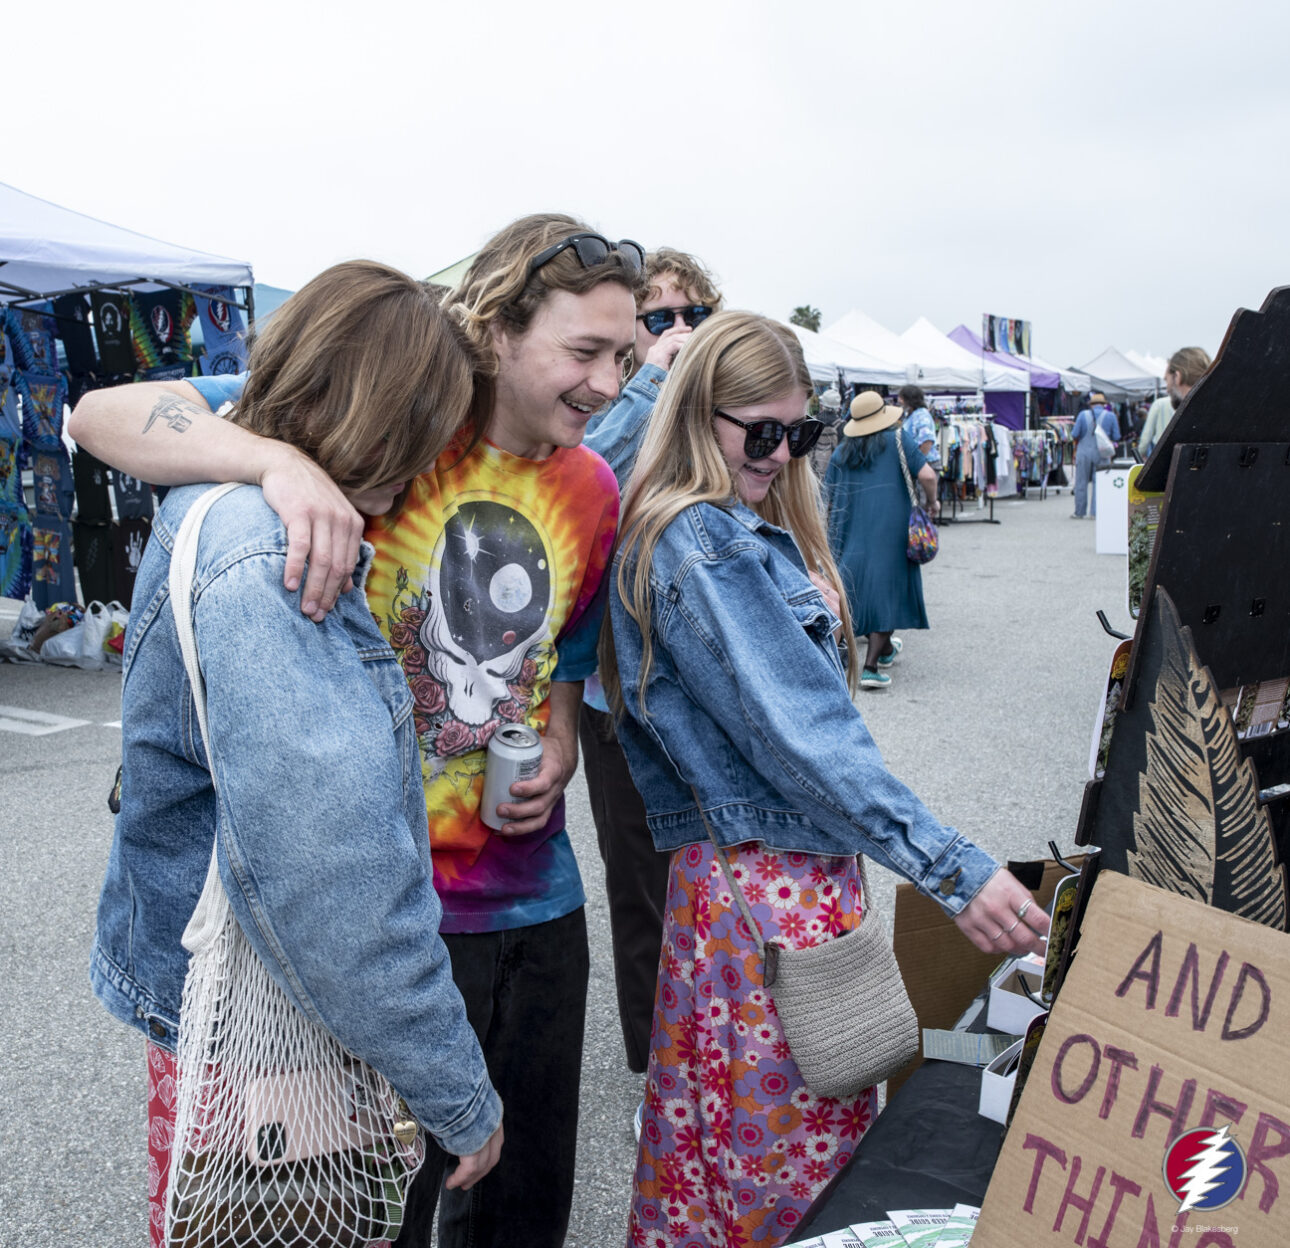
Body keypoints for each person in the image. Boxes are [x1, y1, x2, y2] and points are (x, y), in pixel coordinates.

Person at [72, 213, 642, 1248]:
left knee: (518, 1203)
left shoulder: (590, 486)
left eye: (629, 357)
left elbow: (568, 648)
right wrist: (271, 467)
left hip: (531, 899)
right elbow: (103, 412)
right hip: (383, 923)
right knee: (374, 1200)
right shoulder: (393, 415)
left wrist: (559, 740)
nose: (609, 383)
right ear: (499, 333)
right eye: (585, 351)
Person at [599, 310, 1049, 1248]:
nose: (779, 453)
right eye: (758, 432)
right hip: (767, 889)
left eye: (798, 433)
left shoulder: (725, 531)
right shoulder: (702, 541)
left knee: (729, 1147)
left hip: (761, 886)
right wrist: (952, 868)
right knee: (783, 1161)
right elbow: (806, 743)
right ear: (694, 415)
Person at [579, 248, 724, 1103]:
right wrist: (645, 386)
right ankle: (656, 1080)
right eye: (657, 316)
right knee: (642, 891)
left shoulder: (723, 404)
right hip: (616, 691)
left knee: (722, 876)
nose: (675, 332)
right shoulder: (604, 401)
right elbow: (580, 481)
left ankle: (723, 1063)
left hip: (707, 684)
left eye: (689, 317)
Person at [824, 390, 940, 689]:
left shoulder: (842, 452)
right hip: (892, 528)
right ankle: (871, 667)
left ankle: (883, 649)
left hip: (848, 528)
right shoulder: (899, 441)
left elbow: (827, 494)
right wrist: (932, 502)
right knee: (888, 588)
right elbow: (928, 475)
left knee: (854, 586)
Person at [1137, 346, 1212, 457]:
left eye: (1167, 379)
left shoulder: (1191, 416)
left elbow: (1146, 437)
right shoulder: (1215, 409)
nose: (1167, 388)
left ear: (1177, 376)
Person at [1069, 392, 1121, 519]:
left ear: (1091, 405)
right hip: (1102, 453)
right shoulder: (1111, 416)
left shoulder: (1082, 415)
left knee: (1081, 482)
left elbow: (1074, 434)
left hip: (1083, 452)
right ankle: (1095, 512)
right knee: (1100, 483)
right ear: (1104, 405)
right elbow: (1116, 436)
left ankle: (1079, 512)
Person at [897, 382, 941, 472]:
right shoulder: (911, 415)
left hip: (927, 464)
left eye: (901, 398)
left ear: (909, 399)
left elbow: (927, 441)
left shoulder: (921, 415)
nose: (899, 401)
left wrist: (917, 464)